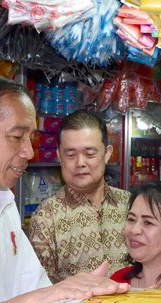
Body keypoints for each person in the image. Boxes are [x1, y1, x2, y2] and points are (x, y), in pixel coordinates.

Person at [0, 76, 129, 303]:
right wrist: (44, 296)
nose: (29, 151)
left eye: (31, 139)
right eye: (17, 137)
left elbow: (33, 288)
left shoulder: (4, 205)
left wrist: (67, 293)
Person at [28, 109, 131, 283]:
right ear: (59, 156)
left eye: (90, 154)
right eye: (70, 154)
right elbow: (42, 290)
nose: (80, 163)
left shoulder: (129, 204)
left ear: (106, 154)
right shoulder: (46, 217)